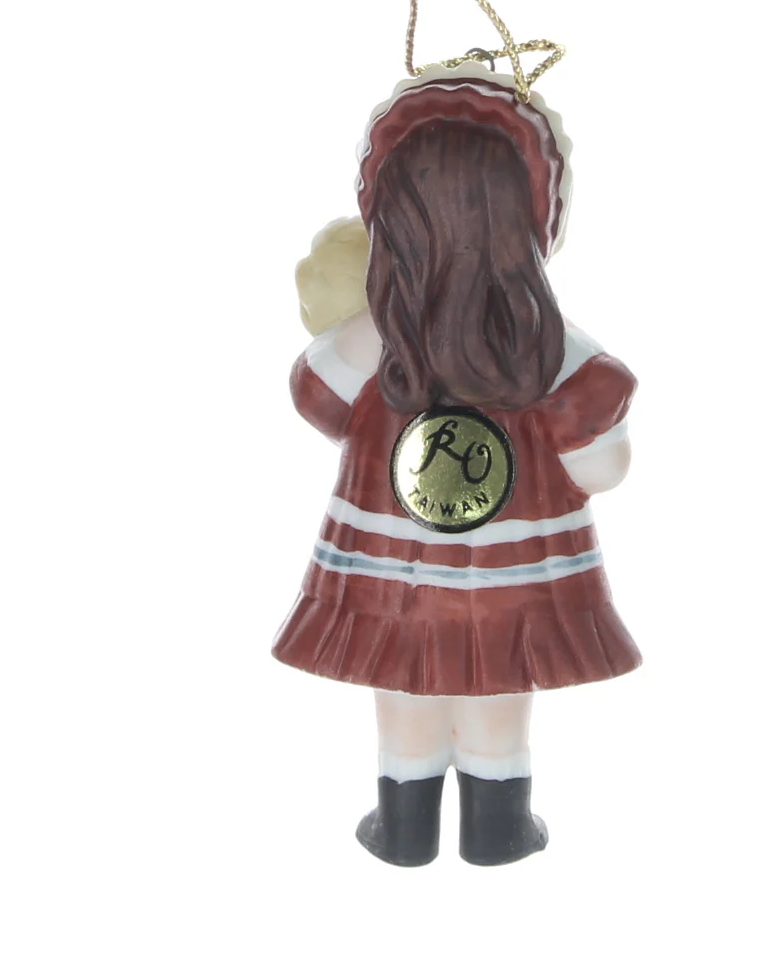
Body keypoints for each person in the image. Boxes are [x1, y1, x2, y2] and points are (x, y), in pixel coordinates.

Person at [273, 65, 641, 866]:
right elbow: (601, 466)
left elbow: (315, 398)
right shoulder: (552, 349)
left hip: (390, 555)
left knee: (402, 681)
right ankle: (496, 825)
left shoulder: (377, 333)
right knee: (500, 682)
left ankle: (403, 826)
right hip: (517, 558)